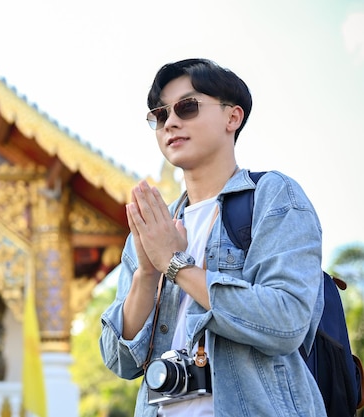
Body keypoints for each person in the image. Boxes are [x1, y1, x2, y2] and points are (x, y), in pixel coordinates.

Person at [99, 58, 327, 416]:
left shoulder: (272, 196)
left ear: (231, 118)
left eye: (187, 107)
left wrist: (174, 265)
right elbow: (119, 361)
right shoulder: (155, 225)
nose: (171, 122)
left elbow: (286, 322)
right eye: (160, 116)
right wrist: (147, 274)